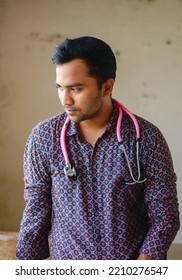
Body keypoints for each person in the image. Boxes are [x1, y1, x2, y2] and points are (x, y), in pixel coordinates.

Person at [16, 36, 180, 260]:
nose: (66, 100)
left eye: (76, 89)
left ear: (107, 87)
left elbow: (165, 216)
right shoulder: (43, 138)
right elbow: (36, 213)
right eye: (60, 88)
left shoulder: (147, 138)